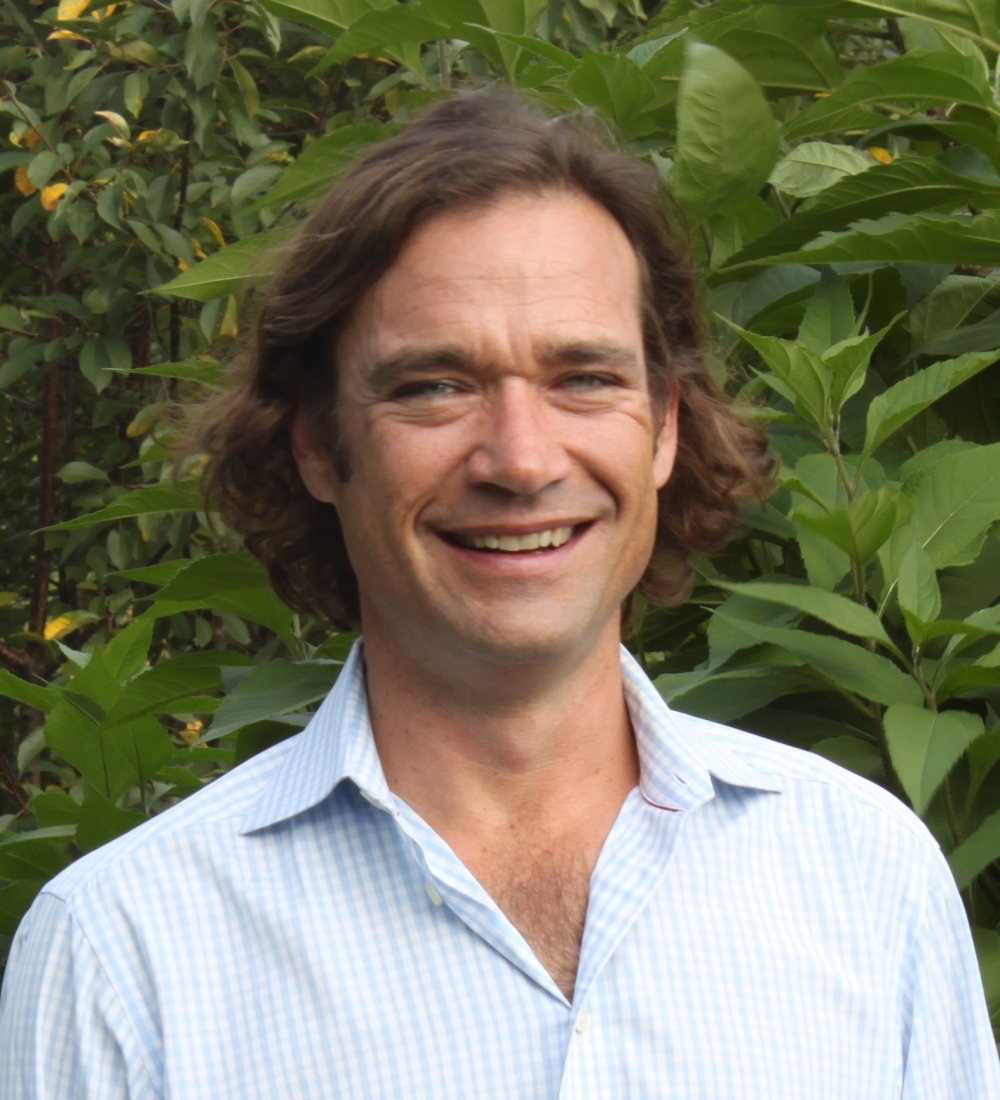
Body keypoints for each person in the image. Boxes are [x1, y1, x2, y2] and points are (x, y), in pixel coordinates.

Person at [1, 91, 997, 1099]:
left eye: (584, 377)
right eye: (434, 386)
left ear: (663, 426)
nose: (521, 460)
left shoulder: (869, 878)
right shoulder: (123, 955)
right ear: (313, 443)